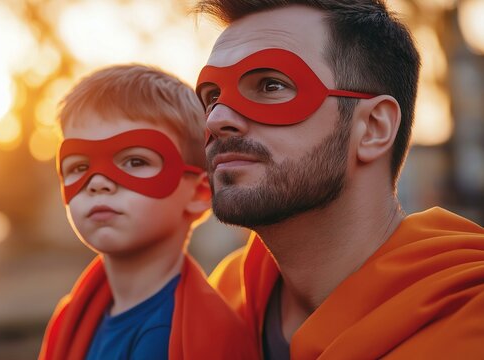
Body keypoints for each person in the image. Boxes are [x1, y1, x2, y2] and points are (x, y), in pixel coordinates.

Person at [192, 0, 484, 359]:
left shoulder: (469, 323)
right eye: (211, 97)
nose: (216, 119)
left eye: (270, 85)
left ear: (374, 128)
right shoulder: (215, 305)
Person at [38, 65, 258, 360]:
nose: (98, 182)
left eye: (134, 161)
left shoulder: (184, 339)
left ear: (199, 193)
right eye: (79, 166)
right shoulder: (73, 317)